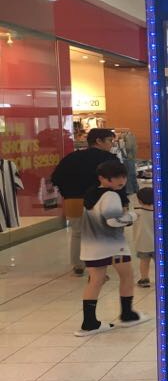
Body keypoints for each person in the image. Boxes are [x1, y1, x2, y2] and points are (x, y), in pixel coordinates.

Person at [76, 160, 150, 336]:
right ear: (102, 178)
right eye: (115, 177)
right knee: (127, 276)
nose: (121, 181)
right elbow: (113, 221)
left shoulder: (92, 194)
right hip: (112, 245)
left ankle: (89, 322)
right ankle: (127, 314)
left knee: (95, 280)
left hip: (91, 245)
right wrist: (133, 216)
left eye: (123, 176)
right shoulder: (111, 196)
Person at [51, 128, 128, 275]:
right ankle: (99, 266)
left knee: (77, 233)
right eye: (109, 140)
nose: (111, 144)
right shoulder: (109, 159)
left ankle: (78, 266)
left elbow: (56, 178)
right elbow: (119, 183)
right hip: (101, 201)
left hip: (74, 201)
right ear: (98, 141)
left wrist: (68, 193)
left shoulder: (71, 158)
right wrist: (123, 202)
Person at [133, 186, 155, 288]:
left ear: (140, 201)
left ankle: (144, 279)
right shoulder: (159, 212)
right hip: (157, 243)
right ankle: (163, 278)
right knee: (160, 262)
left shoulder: (137, 213)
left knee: (144, 262)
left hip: (142, 243)